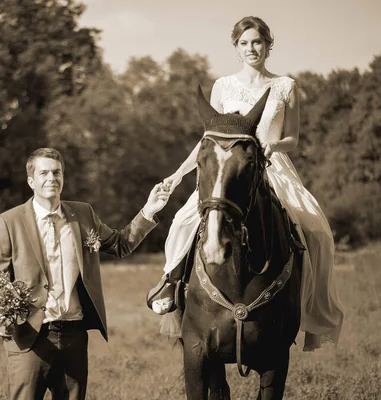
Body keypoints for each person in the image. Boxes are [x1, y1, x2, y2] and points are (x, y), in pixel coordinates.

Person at [146, 16, 344, 350]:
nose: (251, 48)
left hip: (271, 165)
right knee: (182, 221)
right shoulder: (222, 86)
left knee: (320, 233)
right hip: (229, 171)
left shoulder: (286, 86)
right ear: (236, 48)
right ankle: (171, 286)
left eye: (257, 42)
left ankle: (311, 310)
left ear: (268, 45)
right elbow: (207, 140)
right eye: (244, 43)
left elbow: (293, 137)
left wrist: (273, 145)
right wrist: (179, 174)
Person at [0, 147, 170, 400]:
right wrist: (0, 317)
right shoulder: (9, 221)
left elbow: (120, 244)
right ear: (31, 181)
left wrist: (149, 210)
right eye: (44, 173)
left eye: (57, 172)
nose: (51, 178)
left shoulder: (83, 214)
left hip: (74, 335)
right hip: (30, 338)